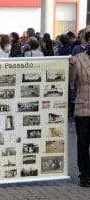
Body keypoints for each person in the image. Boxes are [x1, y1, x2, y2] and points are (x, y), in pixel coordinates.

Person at [69, 30, 90, 187]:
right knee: (83, 143)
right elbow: (70, 83)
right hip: (83, 107)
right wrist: (69, 67)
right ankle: (84, 175)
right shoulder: (77, 60)